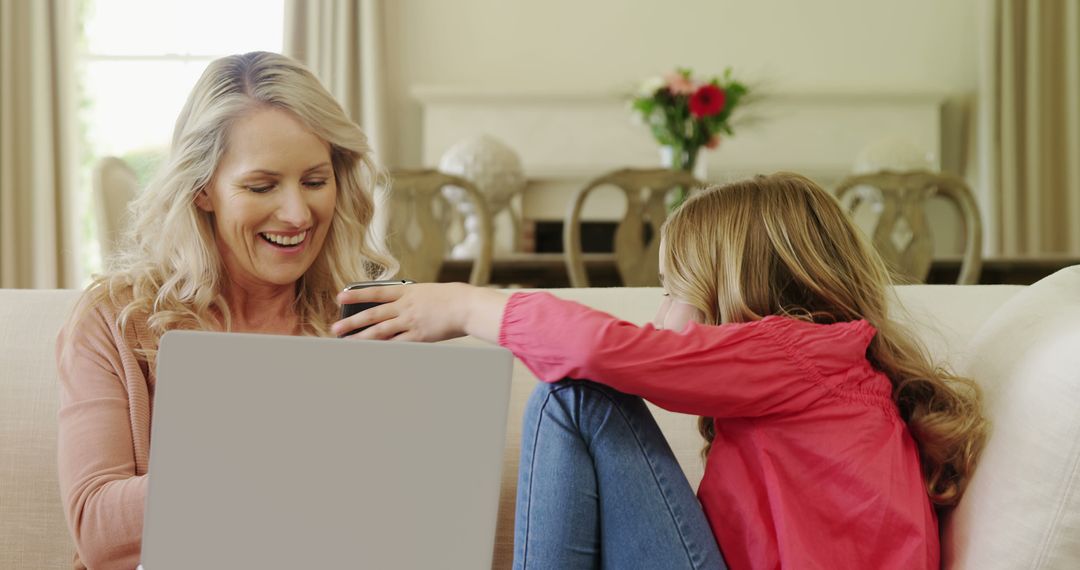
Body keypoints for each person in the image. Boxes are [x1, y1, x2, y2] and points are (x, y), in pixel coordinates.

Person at [333, 172, 989, 569]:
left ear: (738, 294)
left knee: (577, 400)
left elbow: (605, 352)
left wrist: (463, 303)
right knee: (583, 396)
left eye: (674, 289)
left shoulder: (795, 356)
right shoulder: (832, 373)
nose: (661, 312)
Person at [56, 51, 393, 570]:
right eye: (262, 186)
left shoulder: (364, 318)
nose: (298, 214)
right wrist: (272, 465)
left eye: (315, 181)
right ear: (202, 190)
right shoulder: (115, 321)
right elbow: (98, 530)